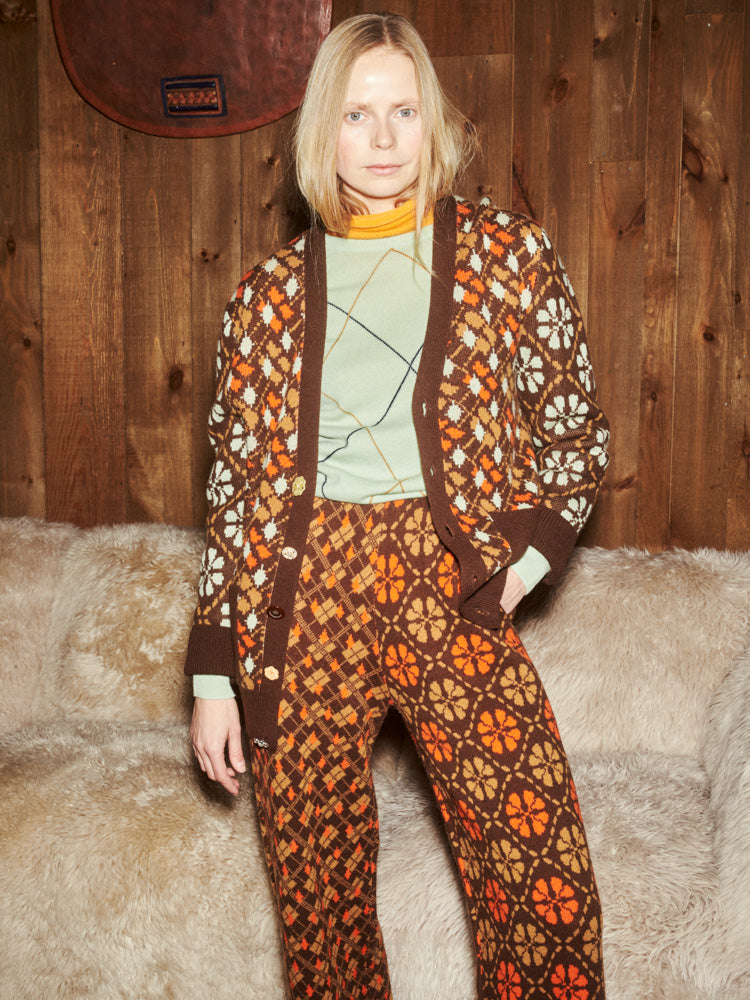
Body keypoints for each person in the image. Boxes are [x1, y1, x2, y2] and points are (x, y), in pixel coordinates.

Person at [185, 12, 609, 1000]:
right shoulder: (264, 297)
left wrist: (524, 565)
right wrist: (212, 672)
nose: (382, 138)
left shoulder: (506, 254)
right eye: (355, 113)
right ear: (321, 131)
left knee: (536, 871)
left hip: (450, 577)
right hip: (302, 594)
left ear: (435, 122)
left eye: (404, 111)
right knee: (318, 894)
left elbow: (574, 430)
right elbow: (234, 494)